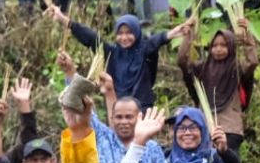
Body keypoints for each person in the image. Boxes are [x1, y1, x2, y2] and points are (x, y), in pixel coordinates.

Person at [53, 8, 185, 109]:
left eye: (129, 33)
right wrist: (64, 20)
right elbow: (91, 38)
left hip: (141, 111)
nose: (124, 38)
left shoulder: (144, 50)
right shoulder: (112, 53)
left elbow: (156, 41)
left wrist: (172, 33)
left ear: (137, 33)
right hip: (117, 111)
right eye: (120, 33)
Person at [177, 18, 259, 151]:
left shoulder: (236, 68)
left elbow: (253, 62)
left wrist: (247, 36)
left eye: (224, 45)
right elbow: (182, 60)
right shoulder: (202, 68)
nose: (218, 49)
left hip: (230, 128)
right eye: (214, 46)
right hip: (205, 126)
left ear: (231, 47)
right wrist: (189, 35)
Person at [140, 108, 239, 163]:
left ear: (202, 131)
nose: (187, 133)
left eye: (193, 127)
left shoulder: (212, 158)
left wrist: (224, 151)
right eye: (181, 128)